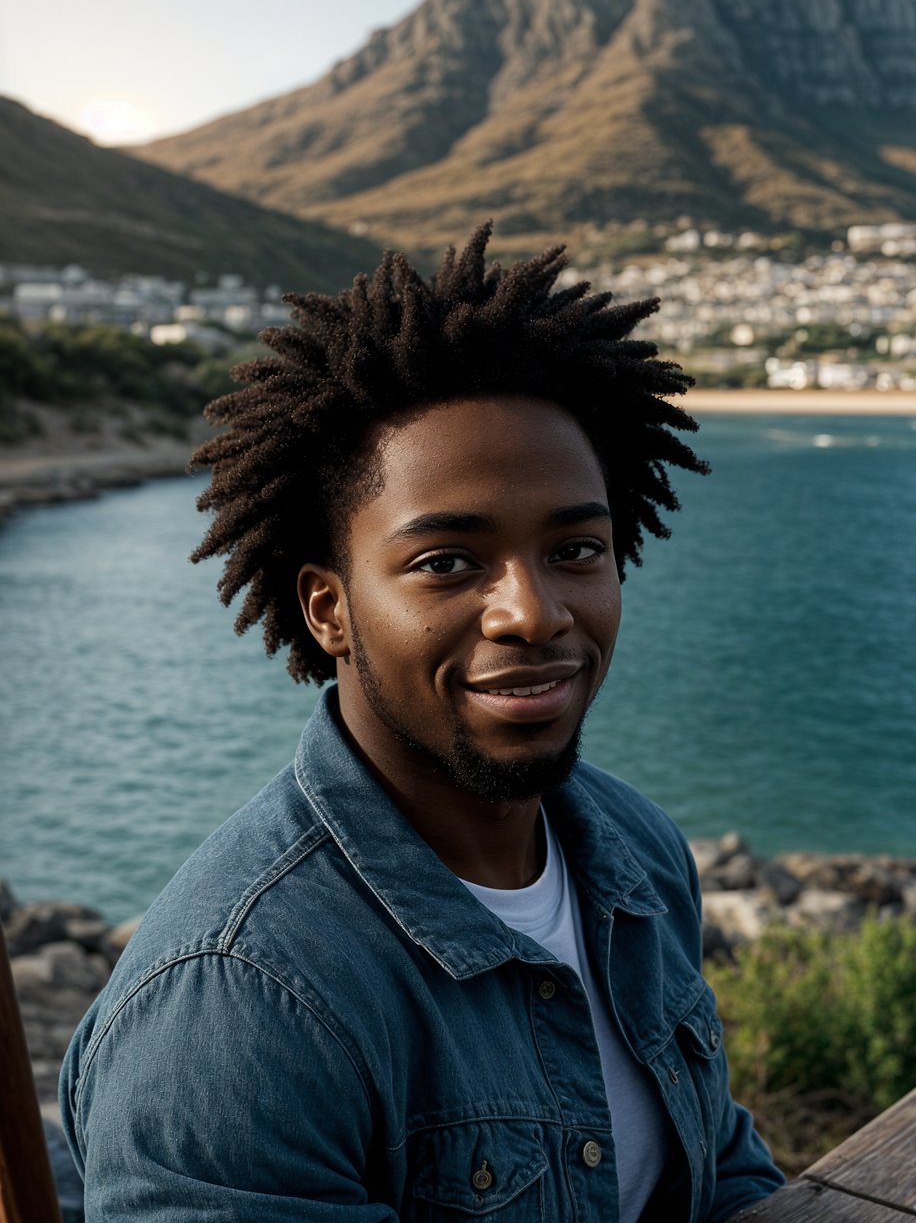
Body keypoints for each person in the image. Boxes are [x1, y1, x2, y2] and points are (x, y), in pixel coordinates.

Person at [61, 226, 785, 1221]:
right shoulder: (242, 1005)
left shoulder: (640, 860)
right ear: (328, 610)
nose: (531, 612)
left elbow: (717, 1167)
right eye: (447, 562)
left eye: (576, 547)